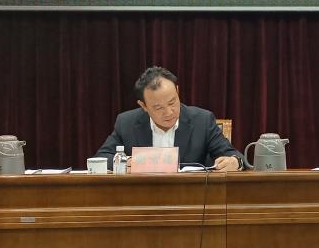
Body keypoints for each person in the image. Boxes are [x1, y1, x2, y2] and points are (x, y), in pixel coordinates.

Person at [95, 66, 243, 171]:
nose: (169, 112)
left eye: (172, 102)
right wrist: (124, 162)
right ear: (143, 106)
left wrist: (235, 162)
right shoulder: (126, 123)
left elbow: (233, 155)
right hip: (141, 198)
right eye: (158, 108)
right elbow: (102, 157)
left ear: (177, 91)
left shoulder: (202, 121)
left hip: (190, 198)